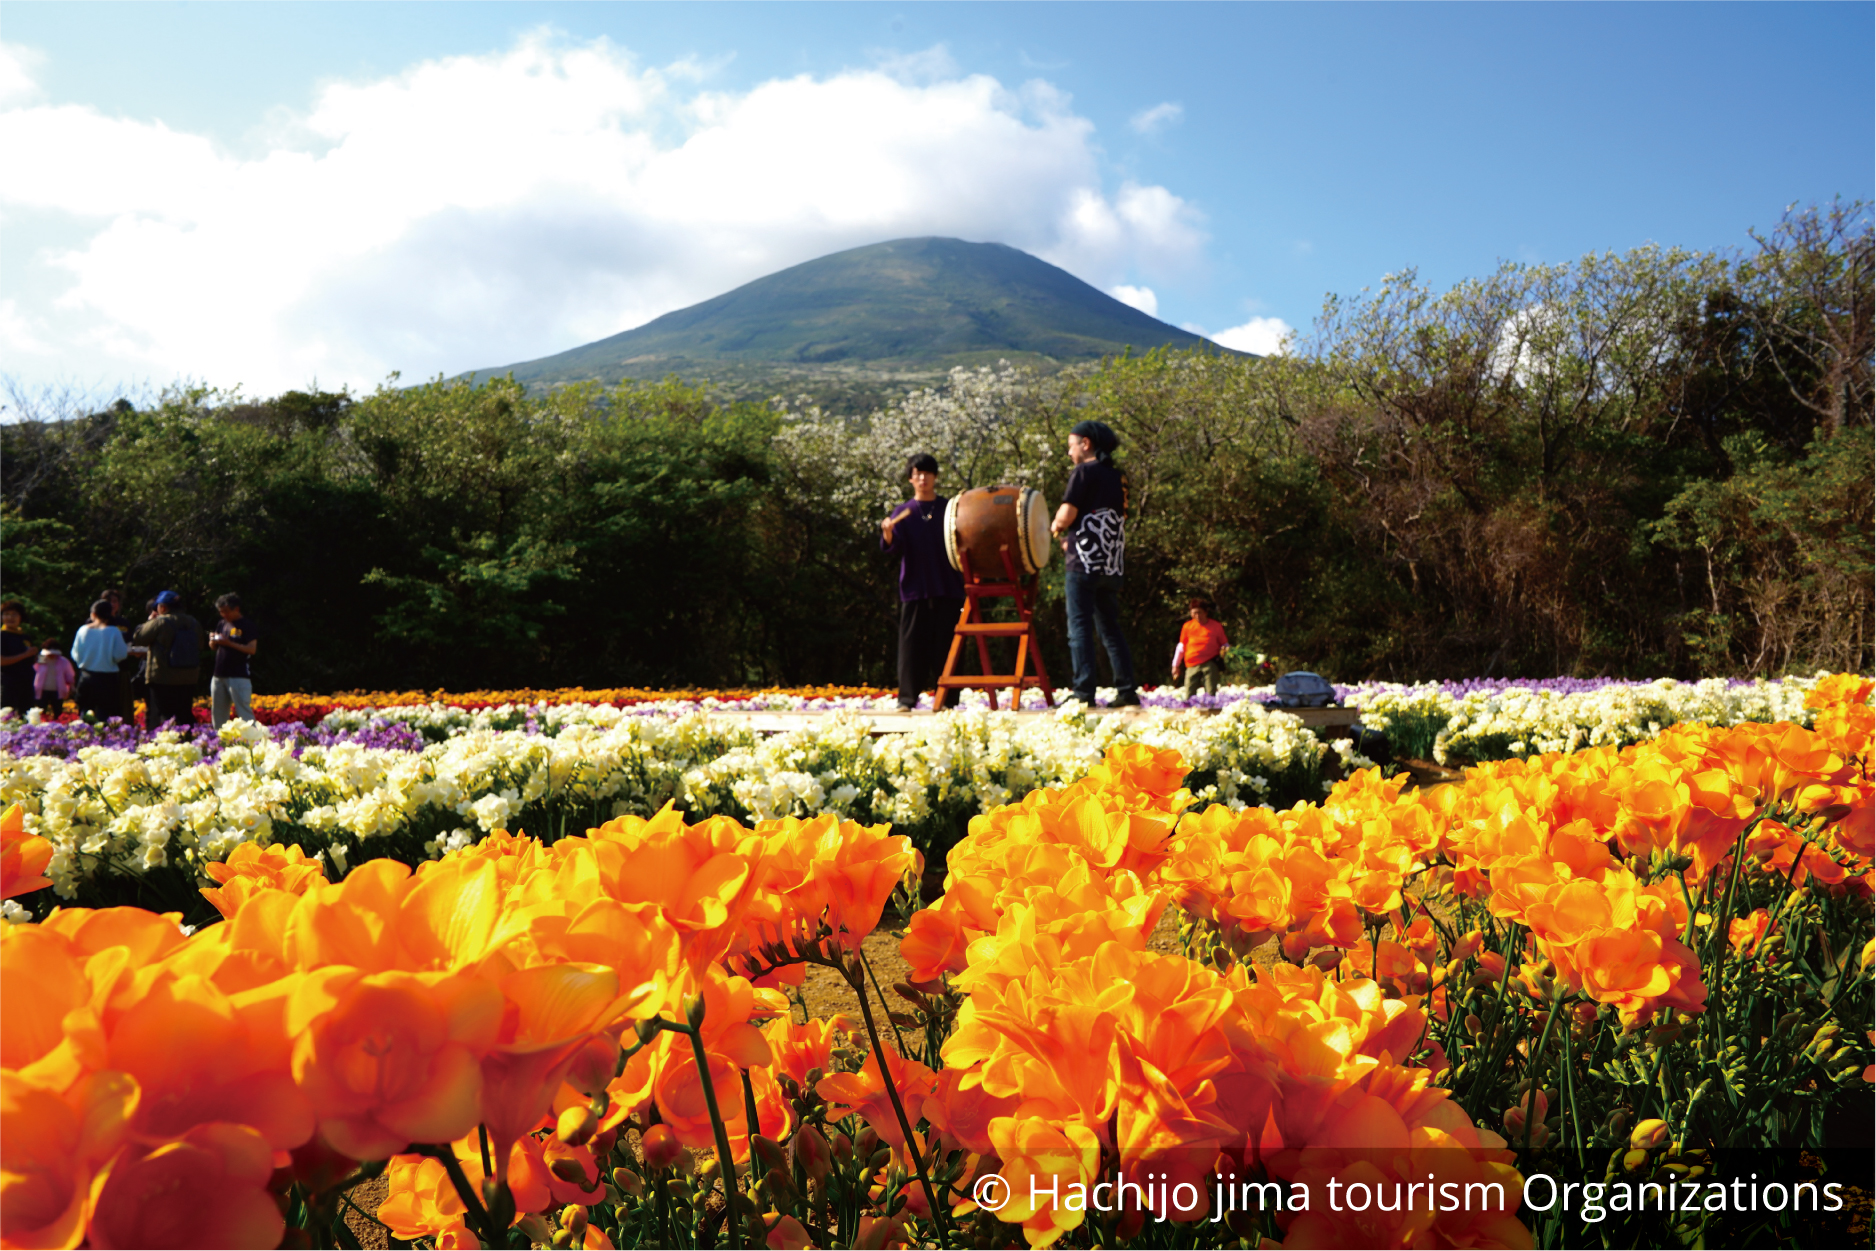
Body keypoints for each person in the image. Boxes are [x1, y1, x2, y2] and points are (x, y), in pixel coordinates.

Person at [1051, 420, 1138, 707]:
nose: (1069, 453)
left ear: (1085, 444)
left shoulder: (1083, 471)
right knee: (1111, 628)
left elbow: (1066, 515)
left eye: (1071, 446)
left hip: (1083, 565)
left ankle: (1083, 693)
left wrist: (1053, 528)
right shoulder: (1118, 476)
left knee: (1079, 628)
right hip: (1112, 564)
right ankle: (1126, 691)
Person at [880, 453, 966, 711]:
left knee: (949, 646)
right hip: (915, 589)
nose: (922, 478)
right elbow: (893, 548)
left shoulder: (949, 509)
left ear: (935, 476)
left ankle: (949, 701)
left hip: (948, 586)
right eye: (917, 474)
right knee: (911, 648)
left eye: (927, 473)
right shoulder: (903, 512)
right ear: (910, 479)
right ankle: (907, 700)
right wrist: (887, 535)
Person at [131, 590, 205, 729]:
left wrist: (150, 621)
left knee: (166, 715)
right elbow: (200, 645)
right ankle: (191, 741)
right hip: (189, 677)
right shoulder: (194, 623)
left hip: (163, 677)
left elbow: (139, 638)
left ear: (163, 607)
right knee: (184, 713)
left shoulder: (160, 622)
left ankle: (170, 744)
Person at [71, 600, 130, 723]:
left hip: (86, 676)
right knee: (104, 713)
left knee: (85, 711)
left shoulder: (83, 630)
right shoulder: (114, 631)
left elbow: (75, 654)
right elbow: (120, 654)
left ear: (93, 614)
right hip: (107, 678)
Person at [208, 592, 260, 726]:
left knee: (243, 710)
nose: (224, 615)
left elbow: (251, 649)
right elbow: (213, 647)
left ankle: (253, 739)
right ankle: (219, 741)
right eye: (221, 612)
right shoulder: (221, 623)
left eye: (226, 611)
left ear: (236, 609)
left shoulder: (247, 625)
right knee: (218, 711)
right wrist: (213, 641)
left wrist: (229, 643)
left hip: (239, 675)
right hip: (219, 675)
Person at [1172, 598, 1229, 698]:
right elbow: (1181, 647)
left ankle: (1210, 711)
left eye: (1200, 613)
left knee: (1210, 694)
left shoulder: (1216, 626)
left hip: (1210, 663)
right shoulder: (1187, 626)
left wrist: (1226, 653)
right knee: (1189, 694)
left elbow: (1225, 644)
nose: (1197, 616)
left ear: (1206, 612)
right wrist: (1175, 665)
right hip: (1192, 663)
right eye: (1194, 613)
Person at [0, 602, 34, 717]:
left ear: (21, 617)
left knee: (25, 715)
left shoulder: (25, 637)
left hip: (26, 681)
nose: (10, 617)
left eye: (14, 614)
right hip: (8, 682)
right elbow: (1, 660)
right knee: (7, 715)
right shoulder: (2, 636)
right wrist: (25, 654)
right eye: (6, 614)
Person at [33, 641, 76, 718]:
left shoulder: (63, 661)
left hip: (57, 691)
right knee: (40, 713)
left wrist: (71, 687)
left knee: (58, 713)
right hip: (42, 691)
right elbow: (34, 671)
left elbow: (69, 675)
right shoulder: (40, 660)